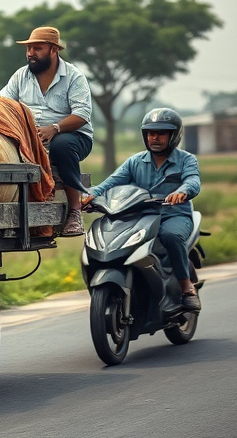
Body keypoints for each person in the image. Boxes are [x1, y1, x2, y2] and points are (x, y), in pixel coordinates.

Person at [81, 108, 202, 312]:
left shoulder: (186, 160)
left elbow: (193, 180)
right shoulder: (135, 162)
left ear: (174, 135)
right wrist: (89, 195)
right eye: (150, 133)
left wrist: (183, 191)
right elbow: (111, 182)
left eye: (161, 133)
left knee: (171, 236)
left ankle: (186, 288)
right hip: (140, 217)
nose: (154, 138)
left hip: (174, 215)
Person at [0, 26, 93, 236]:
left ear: (53, 50)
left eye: (37, 48)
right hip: (33, 139)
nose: (31, 53)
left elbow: (82, 115)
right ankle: (12, 213)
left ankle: (75, 212)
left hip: (73, 137)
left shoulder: (74, 77)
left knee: (62, 144)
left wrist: (55, 128)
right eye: (29, 49)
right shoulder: (21, 76)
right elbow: (2, 102)